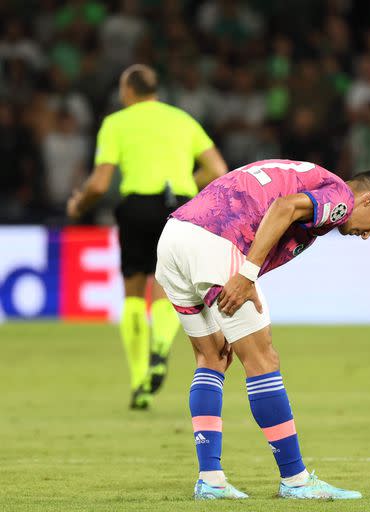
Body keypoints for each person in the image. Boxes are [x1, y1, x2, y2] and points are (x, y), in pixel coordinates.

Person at [153, 159, 370, 500]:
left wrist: (244, 275)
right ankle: (296, 481)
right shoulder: (340, 197)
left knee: (212, 357)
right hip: (216, 241)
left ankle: (211, 480)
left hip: (174, 237)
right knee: (262, 359)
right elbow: (283, 207)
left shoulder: (309, 178)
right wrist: (247, 274)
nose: (368, 233)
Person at [66, 64, 227, 408]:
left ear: (127, 91)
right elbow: (218, 170)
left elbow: (98, 184)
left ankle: (140, 381)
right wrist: (185, 184)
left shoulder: (116, 123)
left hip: (136, 207)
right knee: (167, 286)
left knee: (135, 290)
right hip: (179, 208)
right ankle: (160, 347)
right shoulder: (182, 119)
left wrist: (79, 204)